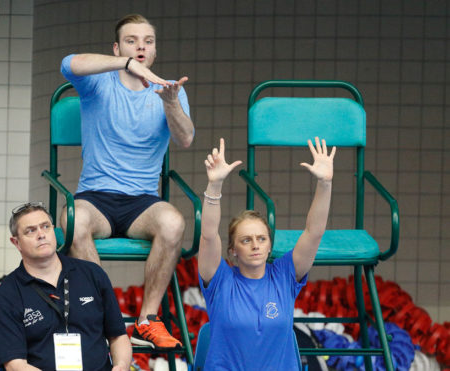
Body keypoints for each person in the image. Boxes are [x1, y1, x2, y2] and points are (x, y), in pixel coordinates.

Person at [59, 13, 195, 349]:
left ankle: (148, 320)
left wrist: (171, 104)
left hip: (142, 202)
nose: (141, 47)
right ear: (118, 47)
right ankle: (106, 320)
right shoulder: (99, 82)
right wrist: (124, 65)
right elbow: (68, 63)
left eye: (148, 41)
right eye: (132, 40)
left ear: (154, 50)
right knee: (73, 222)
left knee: (174, 222)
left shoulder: (169, 91)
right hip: (96, 197)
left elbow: (186, 139)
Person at [198, 137, 335, 370]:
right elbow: (209, 235)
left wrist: (325, 184)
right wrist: (215, 186)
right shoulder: (220, 280)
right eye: (246, 240)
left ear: (270, 245)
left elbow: (314, 232)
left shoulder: (284, 275)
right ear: (232, 250)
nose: (255, 245)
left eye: (261, 239)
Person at [0, 202, 132, 371]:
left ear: (54, 231)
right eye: (31, 231)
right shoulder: (6, 295)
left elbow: (118, 336)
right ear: (16, 243)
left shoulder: (93, 274)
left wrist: (121, 365)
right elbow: (14, 364)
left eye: (45, 227)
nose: (41, 234)